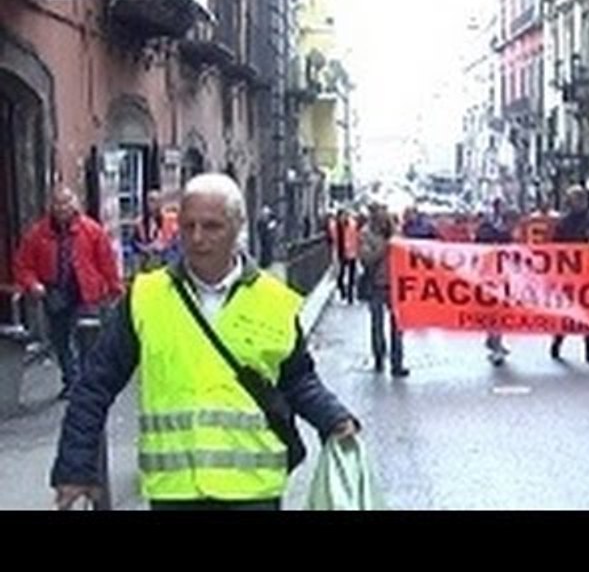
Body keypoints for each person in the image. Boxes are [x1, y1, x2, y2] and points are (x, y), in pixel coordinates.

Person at [49, 173, 359, 511]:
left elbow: (297, 377)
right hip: (176, 492)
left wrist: (333, 417)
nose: (197, 238)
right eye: (188, 226)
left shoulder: (275, 301)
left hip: (252, 491)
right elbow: (95, 384)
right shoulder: (145, 297)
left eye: (212, 226)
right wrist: (75, 467)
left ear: (238, 227)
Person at [13, 185, 123, 400]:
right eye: (57, 203)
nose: (62, 208)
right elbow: (22, 265)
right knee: (61, 340)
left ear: (75, 203)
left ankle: (84, 381)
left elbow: (106, 261)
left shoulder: (91, 230)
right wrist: (33, 284)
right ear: (50, 206)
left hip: (87, 293)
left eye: (66, 202)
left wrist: (114, 287)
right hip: (55, 293)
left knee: (86, 340)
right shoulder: (38, 234)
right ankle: (71, 380)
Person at [549, 185, 589, 365]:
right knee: (567, 312)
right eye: (571, 199)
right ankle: (557, 341)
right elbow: (555, 248)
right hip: (570, 275)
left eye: (577, 198)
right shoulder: (563, 223)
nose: (574, 202)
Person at [360, 203, 408, 377]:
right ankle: (379, 357)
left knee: (398, 326)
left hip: (395, 285)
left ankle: (397, 362)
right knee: (377, 325)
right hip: (376, 285)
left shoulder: (395, 232)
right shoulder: (366, 234)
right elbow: (366, 260)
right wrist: (385, 246)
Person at [474, 208, 519, 366]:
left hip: (500, 278)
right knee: (496, 313)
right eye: (514, 223)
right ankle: (496, 346)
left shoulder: (493, 232)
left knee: (498, 312)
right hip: (491, 278)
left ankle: (494, 340)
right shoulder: (499, 235)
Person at [133, 189, 179, 272]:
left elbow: (175, 240)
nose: (153, 205)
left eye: (155, 201)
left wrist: (162, 246)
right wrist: (145, 248)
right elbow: (135, 243)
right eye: (150, 201)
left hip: (166, 261)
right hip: (147, 262)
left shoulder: (170, 219)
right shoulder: (140, 222)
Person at [329, 208, 360, 305]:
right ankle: (343, 293)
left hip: (352, 253)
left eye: (345, 215)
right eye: (342, 216)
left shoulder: (352, 224)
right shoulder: (334, 226)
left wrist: (356, 250)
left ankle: (350, 297)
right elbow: (332, 238)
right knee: (340, 275)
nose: (343, 218)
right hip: (340, 253)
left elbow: (356, 238)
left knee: (351, 276)